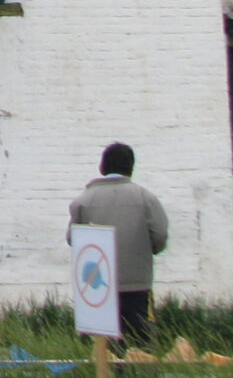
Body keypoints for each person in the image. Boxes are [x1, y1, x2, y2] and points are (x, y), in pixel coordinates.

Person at [67, 142, 169, 346]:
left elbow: (73, 239)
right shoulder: (146, 198)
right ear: (131, 167)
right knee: (140, 340)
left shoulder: (83, 201)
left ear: (102, 167)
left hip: (96, 289)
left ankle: (106, 377)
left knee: (103, 345)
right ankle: (138, 376)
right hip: (137, 284)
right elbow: (159, 236)